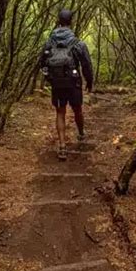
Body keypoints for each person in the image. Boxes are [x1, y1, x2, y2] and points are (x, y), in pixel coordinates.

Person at [41, 9, 93, 160]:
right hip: (73, 82)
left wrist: (49, 78)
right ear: (71, 22)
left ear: (58, 21)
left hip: (57, 83)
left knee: (60, 112)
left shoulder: (49, 43)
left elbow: (42, 63)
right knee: (78, 110)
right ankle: (81, 133)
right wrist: (89, 81)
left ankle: (62, 147)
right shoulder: (78, 43)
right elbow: (86, 65)